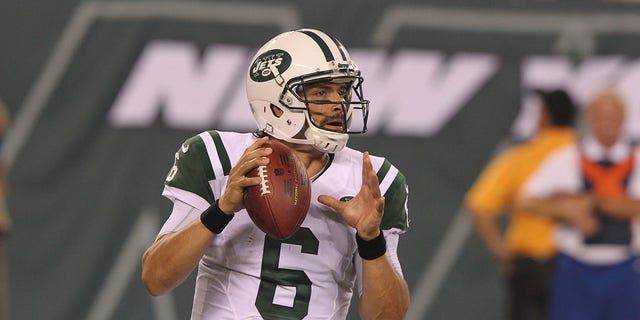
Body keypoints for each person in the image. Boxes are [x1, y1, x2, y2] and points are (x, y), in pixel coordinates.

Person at [141, 29, 410, 319]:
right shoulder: (217, 156)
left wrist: (371, 240)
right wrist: (221, 210)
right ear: (276, 105)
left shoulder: (373, 180)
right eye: (321, 92)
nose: (338, 104)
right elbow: (156, 279)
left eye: (342, 91)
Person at [518, 87, 640, 320]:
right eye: (600, 116)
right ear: (589, 119)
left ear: (623, 119)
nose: (606, 123)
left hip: (625, 266)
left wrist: (593, 204)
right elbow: (526, 199)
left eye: (613, 117)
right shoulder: (567, 158)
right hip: (575, 266)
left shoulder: (635, 159)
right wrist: (564, 210)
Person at [465, 89, 578, 320]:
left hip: (532, 267)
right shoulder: (585, 157)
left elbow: (478, 207)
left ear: (544, 116)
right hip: (579, 265)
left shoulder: (521, 158)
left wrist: (503, 252)